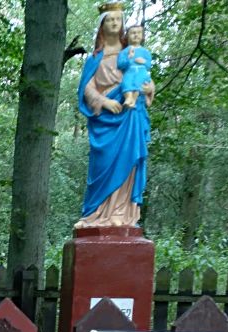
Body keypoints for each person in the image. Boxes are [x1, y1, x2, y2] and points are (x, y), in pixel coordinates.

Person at [74, 3, 155, 228]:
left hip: (129, 116)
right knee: (102, 165)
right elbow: (87, 88)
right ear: (102, 25)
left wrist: (149, 88)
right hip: (105, 120)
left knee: (128, 159)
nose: (114, 23)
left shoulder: (131, 53)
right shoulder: (95, 59)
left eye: (118, 19)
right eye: (110, 20)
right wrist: (104, 101)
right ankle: (94, 214)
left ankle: (122, 212)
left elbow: (144, 76)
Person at [119, 25, 152, 109]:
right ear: (127, 36)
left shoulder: (145, 52)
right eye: (133, 33)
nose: (136, 35)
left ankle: (133, 100)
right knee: (126, 82)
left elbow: (148, 65)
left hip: (141, 71)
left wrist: (144, 61)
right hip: (129, 71)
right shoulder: (124, 52)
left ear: (142, 36)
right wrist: (129, 57)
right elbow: (120, 65)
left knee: (138, 83)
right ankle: (128, 98)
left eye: (139, 33)